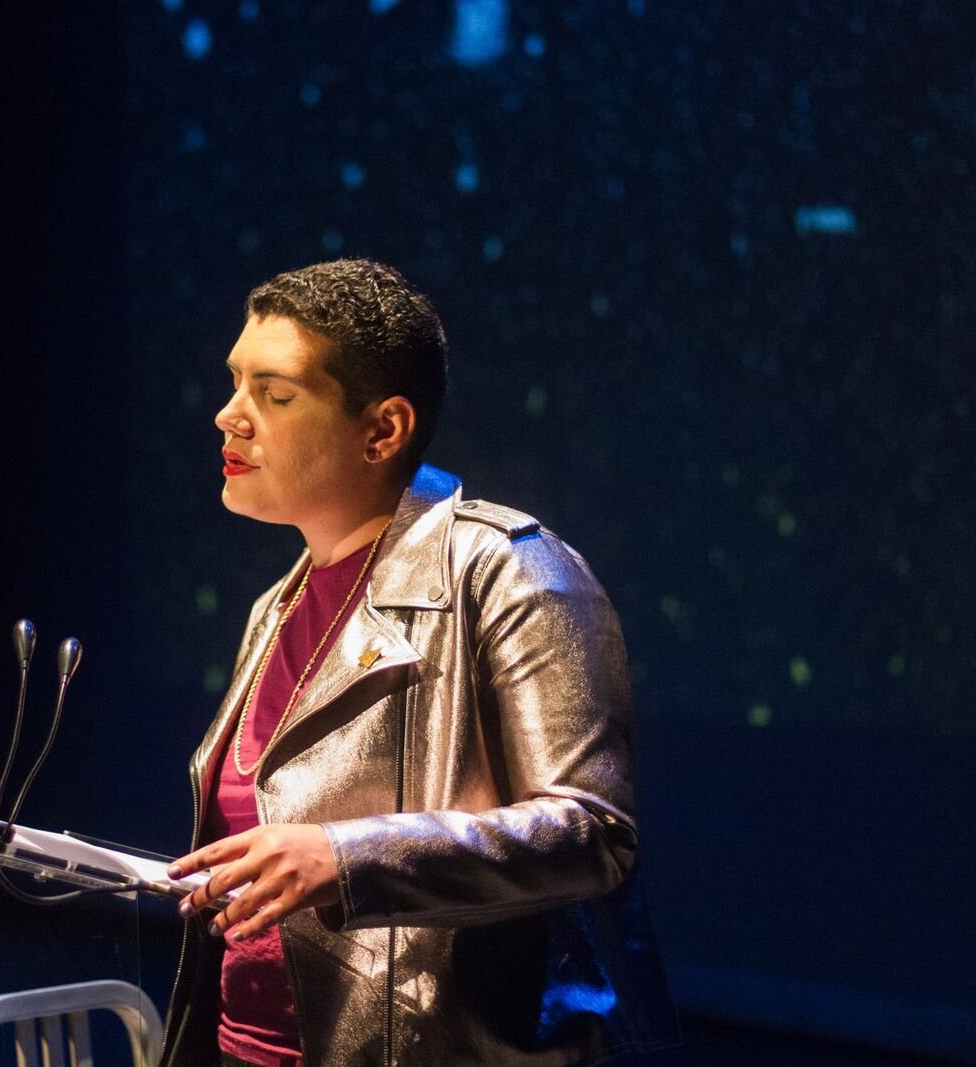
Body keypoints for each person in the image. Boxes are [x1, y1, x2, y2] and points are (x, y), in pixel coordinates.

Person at [160, 259, 679, 1066]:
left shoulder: (510, 571)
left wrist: (346, 855)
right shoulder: (276, 606)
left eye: (275, 393)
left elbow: (590, 831)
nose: (230, 416)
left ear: (383, 429)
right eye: (234, 384)